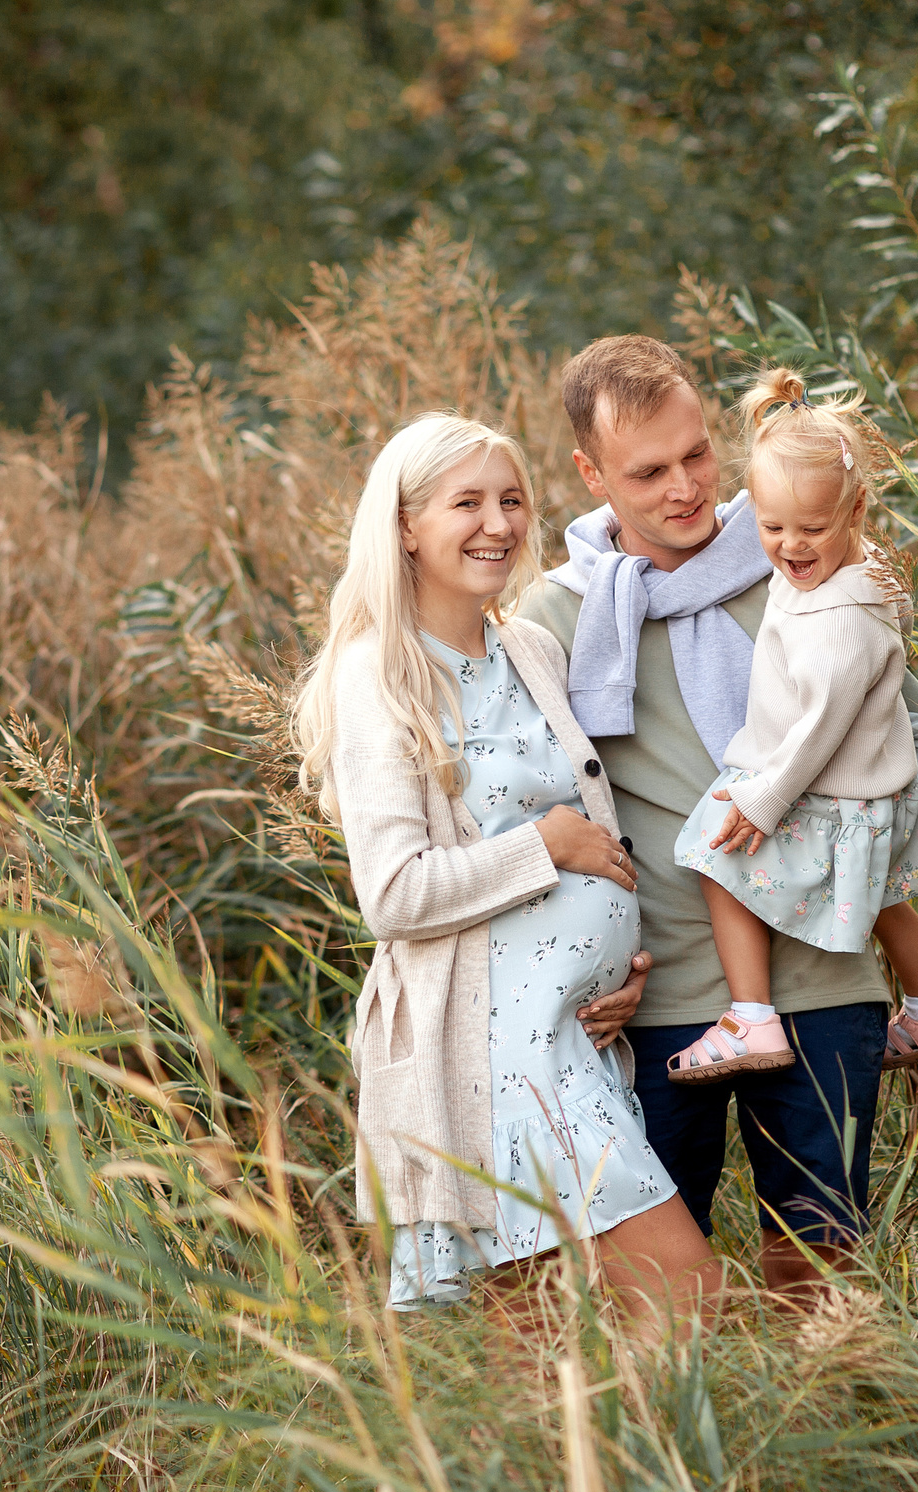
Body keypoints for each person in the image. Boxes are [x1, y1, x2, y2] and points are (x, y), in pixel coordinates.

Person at [517, 336, 918, 1298]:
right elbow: (525, 806)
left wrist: (873, 880)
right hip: (662, 1002)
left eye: (696, 456)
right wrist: (583, 965)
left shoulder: (801, 559)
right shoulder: (555, 620)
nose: (685, 488)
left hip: (820, 976)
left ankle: (821, 1439)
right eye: (648, 471)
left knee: (817, 1267)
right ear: (592, 474)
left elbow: (908, 745)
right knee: (655, 1294)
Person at [292, 410, 723, 1321]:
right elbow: (396, 893)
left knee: (537, 1352)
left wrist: (624, 969)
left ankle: (601, 1469)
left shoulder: (528, 646)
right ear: (406, 525)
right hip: (490, 1050)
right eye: (467, 503)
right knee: (683, 1291)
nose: (498, 524)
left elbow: (596, 834)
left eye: (513, 500)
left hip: (574, 1032)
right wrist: (549, 847)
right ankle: (669, 1466)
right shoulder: (380, 675)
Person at [668, 369, 918, 1082]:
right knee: (887, 897)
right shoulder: (852, 572)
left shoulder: (838, 617)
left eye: (812, 528)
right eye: (771, 528)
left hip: (828, 785)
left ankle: (752, 1016)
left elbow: (821, 728)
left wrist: (762, 799)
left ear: (856, 508)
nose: (791, 547)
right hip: (873, 784)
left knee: (714, 853)